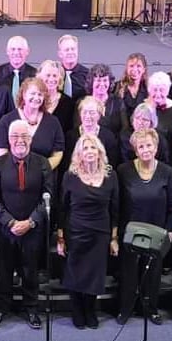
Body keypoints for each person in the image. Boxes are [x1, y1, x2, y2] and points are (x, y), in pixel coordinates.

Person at [0, 120, 53, 329]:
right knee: (3, 271)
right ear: (8, 139)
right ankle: (0, 309)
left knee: (30, 271)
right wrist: (10, 222)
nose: (20, 141)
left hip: (33, 228)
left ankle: (31, 309)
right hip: (6, 229)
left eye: (24, 136)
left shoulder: (43, 164)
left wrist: (31, 221)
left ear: (31, 139)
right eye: (15, 136)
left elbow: (49, 196)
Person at [116, 128, 172, 325]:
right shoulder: (123, 170)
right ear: (135, 149)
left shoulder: (167, 171)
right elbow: (117, 205)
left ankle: (151, 309)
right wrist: (115, 234)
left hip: (157, 232)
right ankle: (125, 309)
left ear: (156, 147)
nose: (145, 150)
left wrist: (170, 230)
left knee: (152, 273)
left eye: (149, 145)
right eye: (141, 146)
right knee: (129, 273)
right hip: (130, 232)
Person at [57, 134, 119, 329]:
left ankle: (90, 310)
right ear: (79, 154)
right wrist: (61, 238)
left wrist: (114, 238)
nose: (90, 152)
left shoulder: (111, 175)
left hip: (100, 232)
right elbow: (62, 208)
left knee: (95, 274)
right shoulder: (70, 176)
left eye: (93, 148)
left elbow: (115, 209)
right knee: (76, 273)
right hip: (76, 231)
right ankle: (77, 311)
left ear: (100, 152)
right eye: (85, 148)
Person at [0, 78, 65, 172]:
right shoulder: (7, 120)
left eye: (40, 94)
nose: (36, 98)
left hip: (44, 177)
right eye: (32, 93)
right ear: (24, 95)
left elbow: (58, 153)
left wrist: (41, 170)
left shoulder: (53, 122)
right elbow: (0, 150)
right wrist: (17, 171)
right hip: (12, 176)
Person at [63, 96, 118, 171]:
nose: (88, 116)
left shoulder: (109, 136)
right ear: (80, 114)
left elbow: (112, 163)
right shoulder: (70, 136)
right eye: (84, 112)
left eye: (92, 112)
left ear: (99, 115)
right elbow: (67, 164)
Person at [85, 63, 126, 135]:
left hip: (113, 144)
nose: (102, 84)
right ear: (91, 82)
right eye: (98, 80)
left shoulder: (118, 102)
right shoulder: (83, 102)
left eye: (105, 80)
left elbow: (124, 129)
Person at [36, 59, 74, 133]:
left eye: (55, 76)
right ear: (40, 78)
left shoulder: (68, 103)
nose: (51, 79)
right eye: (48, 75)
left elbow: (69, 130)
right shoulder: (34, 99)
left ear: (60, 79)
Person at [146, 71, 172, 136]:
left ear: (167, 91)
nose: (158, 94)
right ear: (149, 90)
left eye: (161, 90)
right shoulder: (144, 108)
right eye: (155, 90)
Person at [115, 53, 149, 119]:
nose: (134, 69)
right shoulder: (117, 87)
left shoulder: (149, 88)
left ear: (144, 69)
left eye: (138, 66)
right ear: (127, 68)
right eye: (131, 66)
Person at [57, 34, 88, 102]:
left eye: (73, 49)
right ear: (60, 54)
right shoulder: (54, 74)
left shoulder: (88, 74)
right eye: (67, 50)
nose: (70, 52)